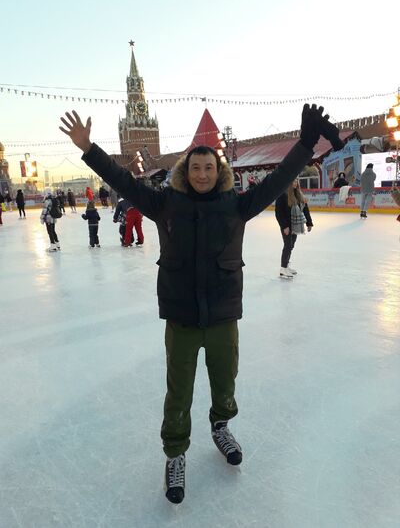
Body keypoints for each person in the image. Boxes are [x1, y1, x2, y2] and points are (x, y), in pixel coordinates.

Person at [59, 104, 342, 504]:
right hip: (182, 317)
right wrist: (88, 149)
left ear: (219, 171)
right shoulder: (165, 204)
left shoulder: (237, 205)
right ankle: (175, 453)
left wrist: (306, 144)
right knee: (179, 391)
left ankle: (221, 426)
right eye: (196, 168)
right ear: (185, 172)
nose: (203, 174)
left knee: (225, 381)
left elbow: (279, 179)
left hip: (223, 314)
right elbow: (123, 180)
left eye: (209, 168)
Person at [275, 177, 313, 278]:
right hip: (287, 225)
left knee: (291, 245)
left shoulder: (299, 194)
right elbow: (279, 213)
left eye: (296, 181)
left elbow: (305, 209)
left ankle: (286, 266)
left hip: (296, 225)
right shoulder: (282, 195)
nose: (295, 183)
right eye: (293, 181)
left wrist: (309, 223)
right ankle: (283, 268)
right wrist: (284, 226)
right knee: (288, 245)